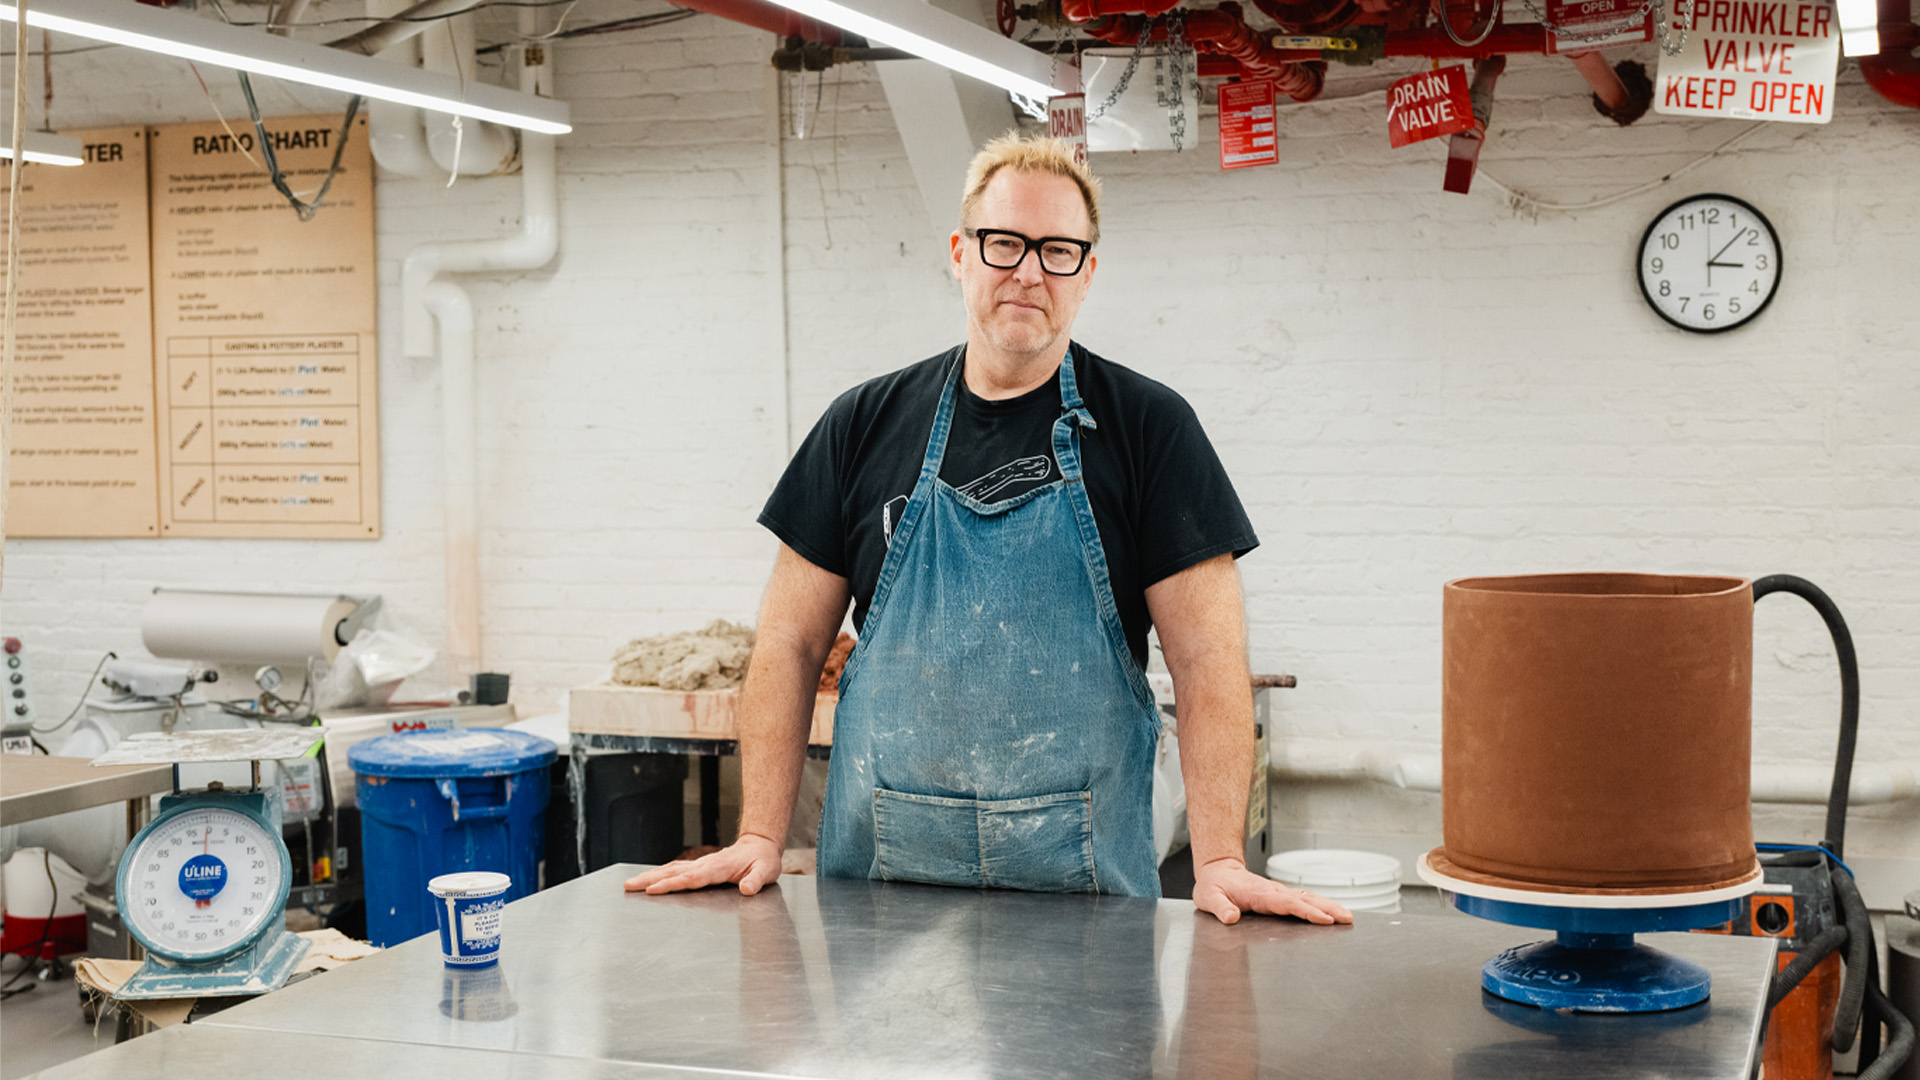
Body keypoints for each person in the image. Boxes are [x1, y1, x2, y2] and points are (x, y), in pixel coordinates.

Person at [626, 134, 1350, 926]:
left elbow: (1210, 658)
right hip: (881, 900)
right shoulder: (860, 425)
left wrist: (1216, 859)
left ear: (1088, 273)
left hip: (1086, 907)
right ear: (960, 253)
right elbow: (788, 645)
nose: (1030, 271)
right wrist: (760, 833)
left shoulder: (1151, 430)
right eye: (1004, 243)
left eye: (1059, 250)